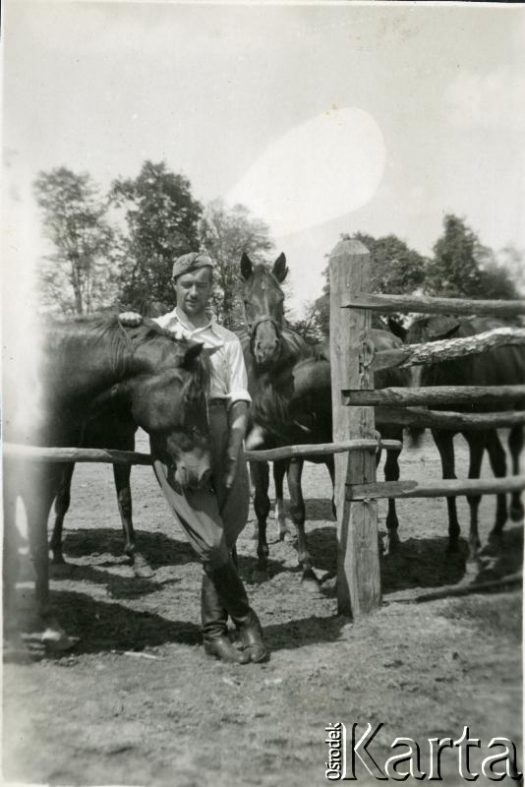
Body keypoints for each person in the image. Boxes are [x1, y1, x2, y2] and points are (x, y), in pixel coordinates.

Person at [119, 252, 269, 664]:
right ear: (175, 285)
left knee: (232, 524)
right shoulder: (157, 332)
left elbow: (240, 395)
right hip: (178, 435)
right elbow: (118, 355)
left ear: (211, 288)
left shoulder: (229, 340)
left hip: (224, 433)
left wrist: (236, 442)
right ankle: (239, 622)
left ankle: (214, 632)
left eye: (202, 284)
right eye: (187, 284)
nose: (194, 291)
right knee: (212, 538)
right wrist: (128, 323)